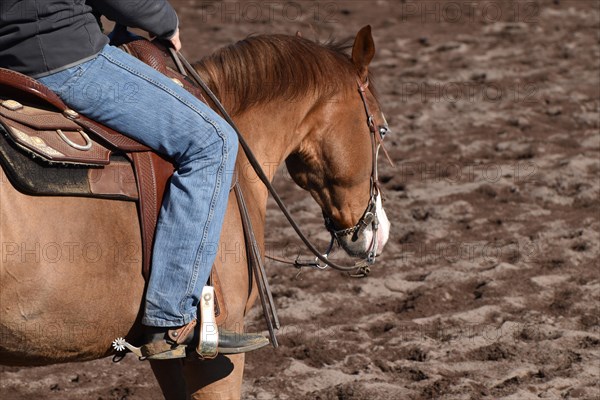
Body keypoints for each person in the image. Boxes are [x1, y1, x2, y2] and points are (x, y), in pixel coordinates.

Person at [0, 0, 268, 356]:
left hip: (8, 61)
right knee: (213, 141)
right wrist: (164, 20)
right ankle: (172, 316)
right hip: (67, 58)